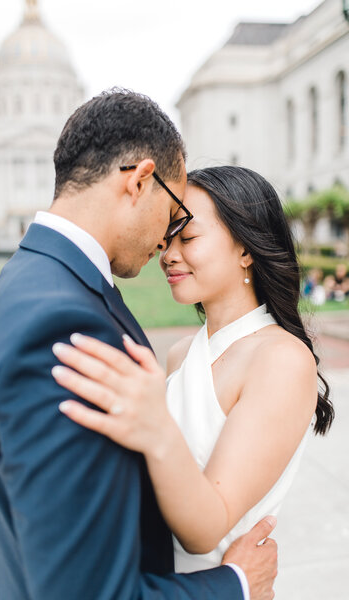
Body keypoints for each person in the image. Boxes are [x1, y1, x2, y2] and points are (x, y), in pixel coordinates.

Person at [0, 91, 277, 600]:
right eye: (173, 212)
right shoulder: (64, 324)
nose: (165, 242)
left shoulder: (24, 280)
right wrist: (236, 585)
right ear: (138, 181)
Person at [51, 166, 335, 580]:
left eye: (188, 237)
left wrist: (150, 423)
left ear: (246, 249)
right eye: (167, 240)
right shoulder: (182, 355)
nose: (167, 255)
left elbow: (203, 532)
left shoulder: (281, 359)